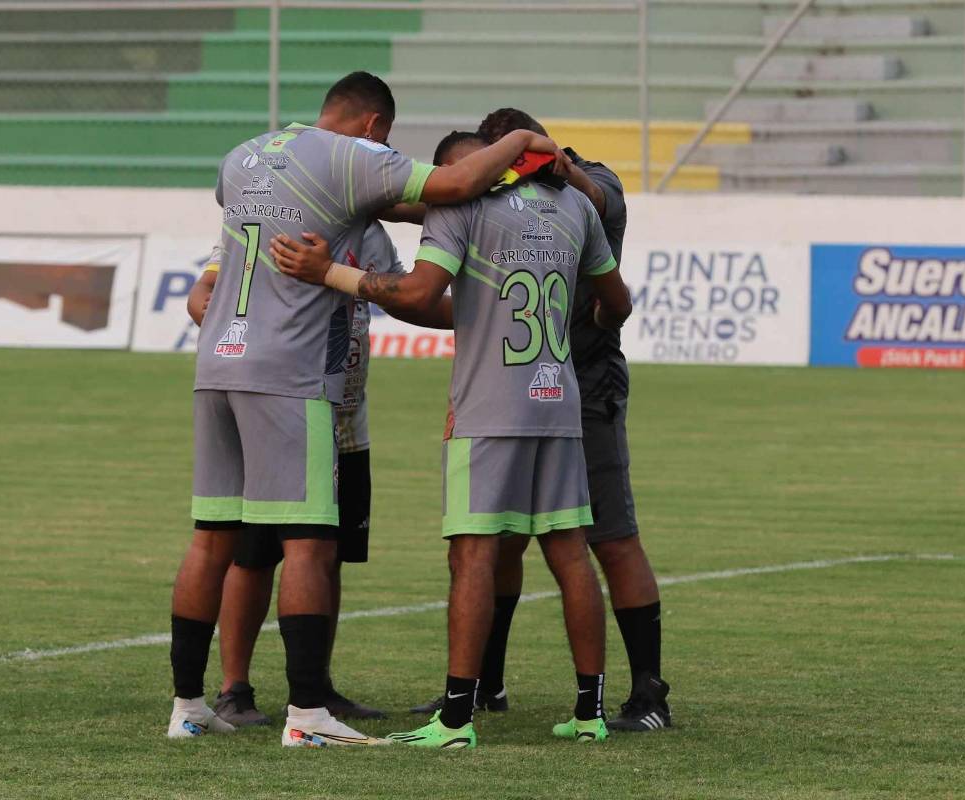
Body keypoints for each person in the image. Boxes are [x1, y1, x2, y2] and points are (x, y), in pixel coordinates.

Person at [167, 73, 565, 747]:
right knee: (310, 546)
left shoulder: (245, 158)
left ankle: (187, 708)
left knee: (213, 538)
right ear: (374, 127)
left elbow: (229, 260)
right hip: (288, 374)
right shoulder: (350, 156)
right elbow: (452, 188)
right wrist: (524, 141)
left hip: (217, 366)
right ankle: (306, 717)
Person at [268, 130, 634, 748]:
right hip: (559, 400)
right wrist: (591, 320)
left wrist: (326, 271)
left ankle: (457, 718)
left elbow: (415, 293)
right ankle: (590, 712)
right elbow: (616, 304)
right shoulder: (574, 207)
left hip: (490, 409)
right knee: (570, 553)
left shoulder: (460, 207)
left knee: (472, 556)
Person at [414, 108, 672, 733]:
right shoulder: (496, 200)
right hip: (529, 383)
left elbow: (602, 201)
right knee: (505, 543)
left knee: (605, 538)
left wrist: (554, 167)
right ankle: (489, 686)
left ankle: (649, 692)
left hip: (583, 385)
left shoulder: (585, 183)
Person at [183, 222, 405, 726]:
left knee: (329, 554)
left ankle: (315, 687)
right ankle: (233, 689)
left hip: (346, 419)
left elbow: (402, 294)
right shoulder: (280, 214)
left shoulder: (370, 229)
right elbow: (205, 294)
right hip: (281, 413)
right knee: (253, 557)